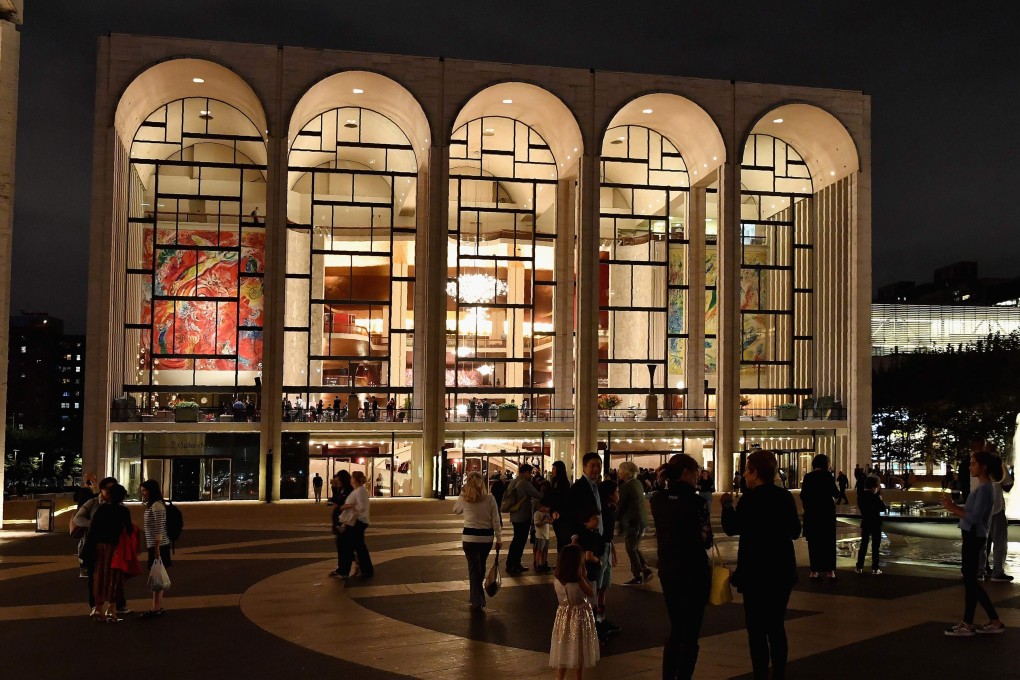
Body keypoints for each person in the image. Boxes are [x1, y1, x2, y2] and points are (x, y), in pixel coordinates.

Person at [721, 450, 801, 680]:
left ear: (755, 473)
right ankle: (779, 674)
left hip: (755, 571)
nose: (744, 475)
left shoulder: (750, 499)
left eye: (747, 470)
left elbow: (732, 528)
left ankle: (760, 674)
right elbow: (795, 532)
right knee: (776, 627)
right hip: (781, 570)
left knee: (756, 630)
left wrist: (727, 506)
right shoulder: (784, 497)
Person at [651, 453, 712, 680]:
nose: (697, 478)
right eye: (696, 473)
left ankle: (668, 676)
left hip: (668, 569)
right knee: (691, 629)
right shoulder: (697, 502)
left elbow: (659, 487)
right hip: (694, 570)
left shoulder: (657, 500)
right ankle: (683, 676)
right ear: (686, 472)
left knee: (676, 626)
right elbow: (706, 540)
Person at [941, 450, 1006, 635]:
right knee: (969, 580)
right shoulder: (985, 488)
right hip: (973, 535)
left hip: (974, 535)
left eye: (973, 463)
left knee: (970, 581)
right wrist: (954, 507)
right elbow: (973, 513)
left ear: (984, 467)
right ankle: (970, 622)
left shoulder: (986, 489)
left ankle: (991, 620)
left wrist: (951, 507)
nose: (970, 467)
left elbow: (975, 517)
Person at [73, 476, 130, 616]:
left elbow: (94, 533)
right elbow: (128, 530)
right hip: (112, 549)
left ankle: (100, 608)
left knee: (100, 577)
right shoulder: (98, 505)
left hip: (99, 547)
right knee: (111, 577)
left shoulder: (104, 510)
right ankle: (110, 608)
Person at [453, 471, 502, 611]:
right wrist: (499, 538)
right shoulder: (490, 499)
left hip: (469, 538)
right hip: (486, 538)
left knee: (474, 569)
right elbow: (496, 520)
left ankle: (476, 599)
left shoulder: (465, 498)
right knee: (481, 566)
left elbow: (455, 510)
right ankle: (477, 596)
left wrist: (462, 494)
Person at [549, 544, 599, 679]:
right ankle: (578, 678)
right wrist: (583, 576)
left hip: (563, 614)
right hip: (580, 617)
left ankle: (560, 677)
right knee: (579, 650)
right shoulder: (579, 581)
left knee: (563, 647)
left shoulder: (558, 579)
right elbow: (591, 592)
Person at [801, 454, 838, 580]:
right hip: (826, 513)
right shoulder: (828, 476)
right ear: (825, 464)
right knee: (829, 543)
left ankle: (814, 570)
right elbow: (835, 493)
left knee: (814, 543)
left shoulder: (808, 477)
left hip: (812, 514)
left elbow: (803, 495)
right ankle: (830, 571)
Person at [502, 463, 544, 575]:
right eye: (530, 473)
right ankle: (514, 564)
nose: (530, 475)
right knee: (520, 541)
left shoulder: (513, 482)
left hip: (515, 515)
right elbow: (537, 495)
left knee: (516, 540)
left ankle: (511, 563)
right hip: (523, 516)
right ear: (525, 472)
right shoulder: (525, 483)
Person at [616, 461, 652, 585]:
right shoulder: (637, 483)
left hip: (631, 521)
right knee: (634, 547)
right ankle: (646, 569)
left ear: (626, 472)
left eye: (620, 470)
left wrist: (615, 517)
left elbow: (621, 506)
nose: (618, 473)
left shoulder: (626, 487)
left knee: (630, 548)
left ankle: (638, 574)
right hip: (640, 520)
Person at [140, 480, 172, 617]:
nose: (142, 493)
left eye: (144, 490)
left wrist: (156, 547)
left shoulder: (157, 506)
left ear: (151, 491)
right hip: (156, 545)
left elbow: (159, 527)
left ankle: (156, 607)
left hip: (159, 545)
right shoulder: (153, 505)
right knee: (157, 575)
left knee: (157, 575)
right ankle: (157, 606)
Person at [337, 471, 374, 579]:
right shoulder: (358, 490)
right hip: (355, 522)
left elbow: (362, 507)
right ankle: (363, 569)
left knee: (357, 547)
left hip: (358, 522)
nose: (350, 479)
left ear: (355, 479)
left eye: (352, 477)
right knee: (358, 547)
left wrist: (348, 507)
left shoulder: (360, 491)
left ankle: (363, 570)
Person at [986, 463, 1013, 582]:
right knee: (1000, 542)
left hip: (980, 510)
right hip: (995, 510)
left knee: (981, 543)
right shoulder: (995, 464)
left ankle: (979, 570)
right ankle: (997, 572)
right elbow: (1007, 486)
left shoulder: (973, 464)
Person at [855, 476, 887, 575]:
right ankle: (875, 568)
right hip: (875, 523)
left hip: (865, 522)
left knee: (863, 545)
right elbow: (882, 508)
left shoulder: (861, 496)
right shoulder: (875, 496)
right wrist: (880, 498)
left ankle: (859, 567)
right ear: (874, 487)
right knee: (875, 546)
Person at [328, 470, 355, 578]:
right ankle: (340, 568)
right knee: (340, 546)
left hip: (345, 522)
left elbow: (343, 504)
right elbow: (335, 501)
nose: (337, 482)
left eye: (338, 480)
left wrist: (339, 505)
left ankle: (344, 571)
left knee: (345, 547)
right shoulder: (341, 489)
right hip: (338, 520)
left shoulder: (349, 490)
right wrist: (334, 489)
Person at [548, 460, 573, 551]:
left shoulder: (564, 483)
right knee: (560, 539)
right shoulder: (554, 482)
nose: (552, 471)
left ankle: (563, 561)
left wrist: (558, 512)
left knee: (563, 540)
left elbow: (564, 501)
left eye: (554, 469)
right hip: (555, 515)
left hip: (561, 515)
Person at [533, 496, 556, 574]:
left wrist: (552, 520)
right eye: (547, 508)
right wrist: (545, 521)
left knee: (545, 550)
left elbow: (549, 522)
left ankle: (544, 563)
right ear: (542, 506)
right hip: (540, 535)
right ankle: (538, 564)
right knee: (539, 550)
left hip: (546, 535)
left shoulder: (546, 513)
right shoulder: (537, 514)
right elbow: (537, 524)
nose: (548, 510)